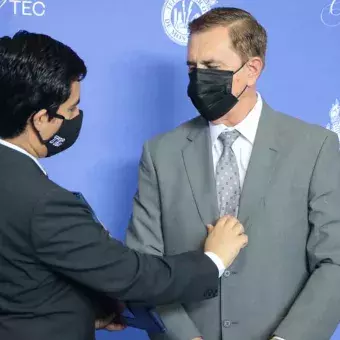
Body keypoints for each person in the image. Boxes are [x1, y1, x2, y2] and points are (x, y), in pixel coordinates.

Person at [0, 30, 248, 340]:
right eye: (72, 109)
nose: (77, 116)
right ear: (40, 120)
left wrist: (78, 311)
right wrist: (213, 259)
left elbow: (20, 284)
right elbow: (133, 276)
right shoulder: (44, 203)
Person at [126, 7, 340, 340]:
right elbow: (145, 263)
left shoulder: (316, 147)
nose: (198, 78)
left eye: (211, 67)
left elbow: (335, 261)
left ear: (252, 69)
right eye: (192, 67)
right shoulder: (160, 154)